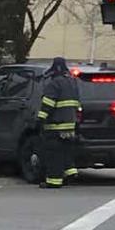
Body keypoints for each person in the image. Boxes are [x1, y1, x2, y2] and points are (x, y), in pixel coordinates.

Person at [36, 57, 81, 189]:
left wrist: (41, 119)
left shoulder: (54, 83)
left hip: (56, 126)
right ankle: (71, 173)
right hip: (70, 125)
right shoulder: (72, 82)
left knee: (53, 154)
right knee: (65, 151)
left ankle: (53, 181)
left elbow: (48, 103)